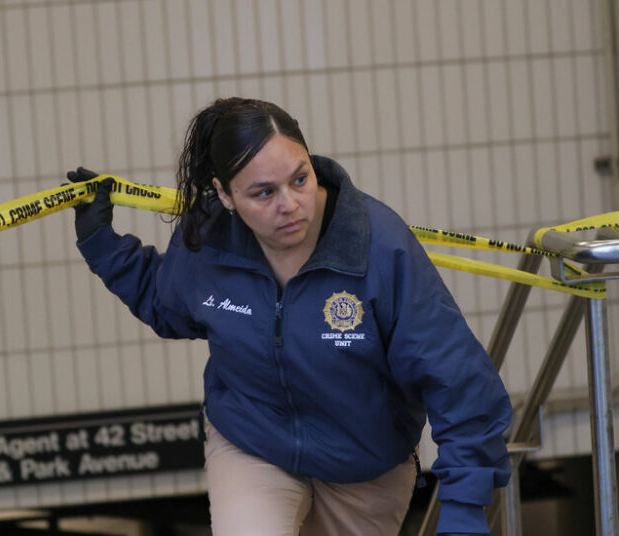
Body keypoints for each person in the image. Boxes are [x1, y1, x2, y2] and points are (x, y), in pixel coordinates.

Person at [69, 97, 511, 536]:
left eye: (300, 179)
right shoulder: (208, 239)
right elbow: (165, 302)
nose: (291, 204)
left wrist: (465, 499)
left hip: (364, 465)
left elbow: (454, 374)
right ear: (224, 194)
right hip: (253, 443)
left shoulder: (379, 248)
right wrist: (101, 244)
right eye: (264, 192)